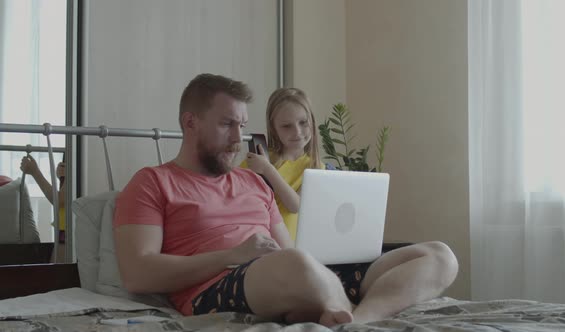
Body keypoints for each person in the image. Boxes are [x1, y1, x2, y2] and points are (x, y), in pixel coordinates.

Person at [113, 73, 458, 327]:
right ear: (191, 122)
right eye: (227, 125)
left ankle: (357, 320)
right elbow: (138, 273)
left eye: (243, 125)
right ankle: (339, 311)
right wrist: (232, 255)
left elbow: (290, 248)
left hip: (290, 273)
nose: (239, 138)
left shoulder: (254, 181)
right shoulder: (153, 182)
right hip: (216, 287)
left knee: (439, 255)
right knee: (296, 264)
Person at [242, 88, 322, 240]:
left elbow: (295, 205)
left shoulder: (316, 168)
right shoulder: (259, 159)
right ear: (274, 129)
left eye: (303, 122)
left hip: (292, 249)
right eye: (287, 126)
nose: (297, 132)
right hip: (261, 248)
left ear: (312, 121)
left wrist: (268, 170)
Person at [20, 155, 67, 244]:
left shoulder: (80, 153)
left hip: (68, 228)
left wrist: (35, 172)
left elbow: (59, 200)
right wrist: (62, 178)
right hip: (65, 226)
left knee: (61, 257)